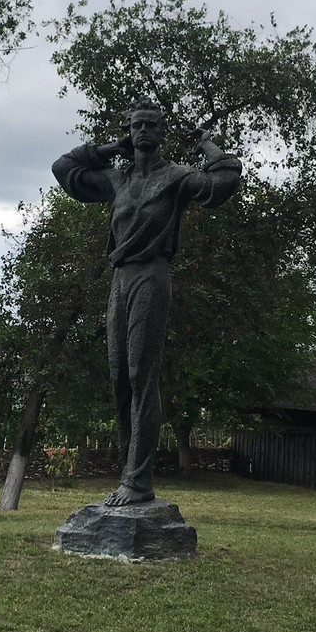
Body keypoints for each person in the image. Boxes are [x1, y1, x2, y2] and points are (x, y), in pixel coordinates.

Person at [52, 98, 242, 506]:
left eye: (150, 125)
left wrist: (205, 142)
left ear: (160, 131)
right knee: (120, 377)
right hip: (120, 279)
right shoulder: (116, 181)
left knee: (141, 374)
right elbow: (64, 169)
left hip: (152, 276)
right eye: (136, 125)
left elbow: (222, 182)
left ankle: (139, 482)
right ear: (129, 130)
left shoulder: (175, 177)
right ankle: (128, 474)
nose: (142, 132)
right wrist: (107, 149)